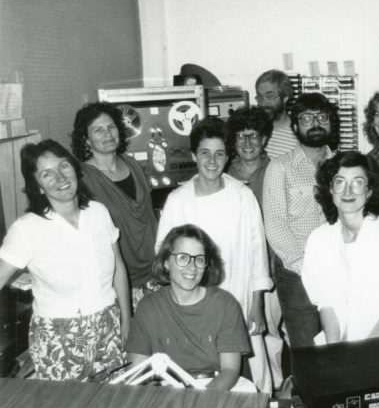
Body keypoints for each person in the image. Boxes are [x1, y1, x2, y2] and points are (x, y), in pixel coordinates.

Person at [155, 117, 273, 394]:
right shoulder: (178, 201)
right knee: (202, 375)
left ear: (227, 156)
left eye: (219, 153)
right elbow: (164, 256)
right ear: (194, 155)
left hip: (239, 298)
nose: (212, 161)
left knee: (248, 377)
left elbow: (258, 252)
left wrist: (257, 304)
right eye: (205, 153)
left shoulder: (243, 196)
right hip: (193, 306)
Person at [0, 139, 130, 380]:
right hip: (58, 336)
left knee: (112, 404)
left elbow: (119, 268)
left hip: (108, 325)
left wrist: (127, 318)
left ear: (74, 168)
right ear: (37, 186)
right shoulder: (27, 229)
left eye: (64, 166)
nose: (60, 178)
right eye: (47, 174)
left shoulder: (99, 212)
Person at [302, 151, 379, 343]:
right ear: (330, 189)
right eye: (340, 182)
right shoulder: (318, 240)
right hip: (343, 345)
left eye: (357, 183)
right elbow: (326, 302)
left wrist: (363, 355)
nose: (348, 192)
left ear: (369, 191)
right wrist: (334, 350)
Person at [126, 224, 255, 392]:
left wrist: (197, 399)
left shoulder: (225, 305)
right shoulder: (148, 307)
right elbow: (135, 372)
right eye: (183, 257)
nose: (192, 267)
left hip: (216, 387)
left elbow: (230, 371)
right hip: (168, 389)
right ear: (166, 261)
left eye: (199, 259)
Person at [263, 92, 339, 348]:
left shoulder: (344, 164)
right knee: (306, 347)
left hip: (339, 267)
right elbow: (274, 224)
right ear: (295, 126)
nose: (316, 123)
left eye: (322, 117)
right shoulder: (280, 167)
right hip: (297, 272)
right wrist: (303, 265)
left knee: (341, 340)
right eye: (307, 118)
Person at [72, 102, 158, 307]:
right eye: (98, 130)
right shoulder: (82, 179)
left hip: (156, 273)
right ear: (86, 139)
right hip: (120, 281)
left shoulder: (132, 164)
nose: (108, 134)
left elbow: (149, 215)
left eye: (111, 127)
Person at [225, 105, 284, 390]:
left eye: (253, 136)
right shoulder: (224, 173)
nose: (248, 143)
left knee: (269, 331)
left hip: (271, 266)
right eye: (241, 137)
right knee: (236, 334)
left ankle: (274, 390)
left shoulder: (278, 170)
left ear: (263, 140)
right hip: (235, 267)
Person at [255, 69, 298, 158]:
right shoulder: (252, 130)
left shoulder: (298, 133)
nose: (263, 102)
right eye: (260, 97)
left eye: (270, 96)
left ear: (285, 97)